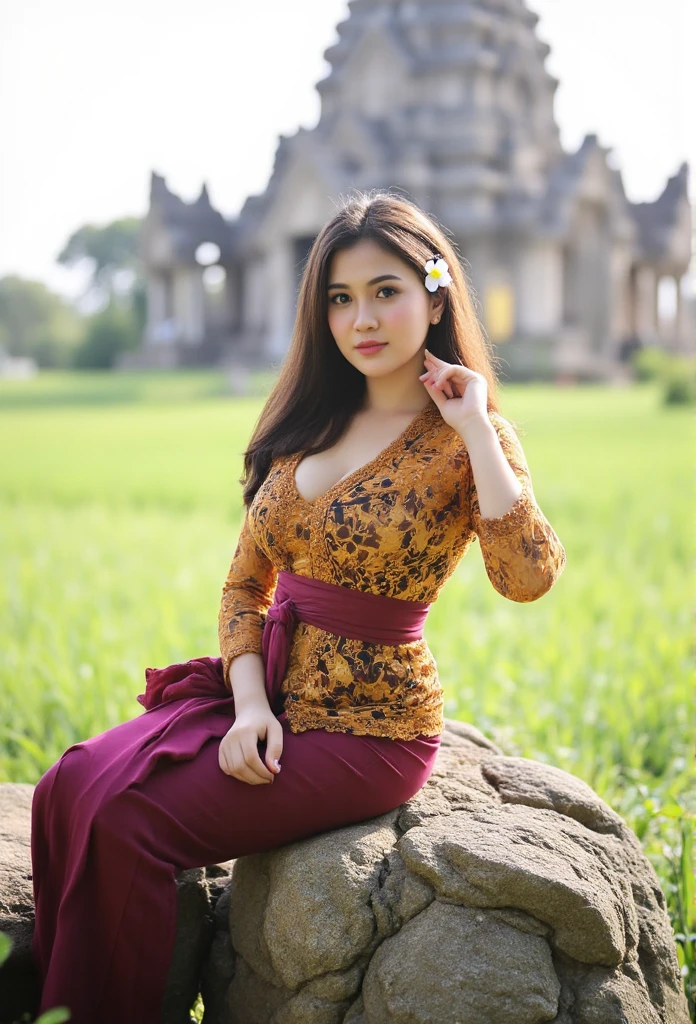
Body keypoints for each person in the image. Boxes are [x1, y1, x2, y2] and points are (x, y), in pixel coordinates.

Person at [30, 191, 566, 1022]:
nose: (363, 318)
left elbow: (528, 577)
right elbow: (246, 587)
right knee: (68, 783)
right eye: (340, 299)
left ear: (434, 294)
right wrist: (249, 707)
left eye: (386, 291)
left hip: (370, 729)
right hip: (272, 700)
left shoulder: (466, 436)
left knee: (130, 821)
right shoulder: (309, 422)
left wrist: (476, 432)